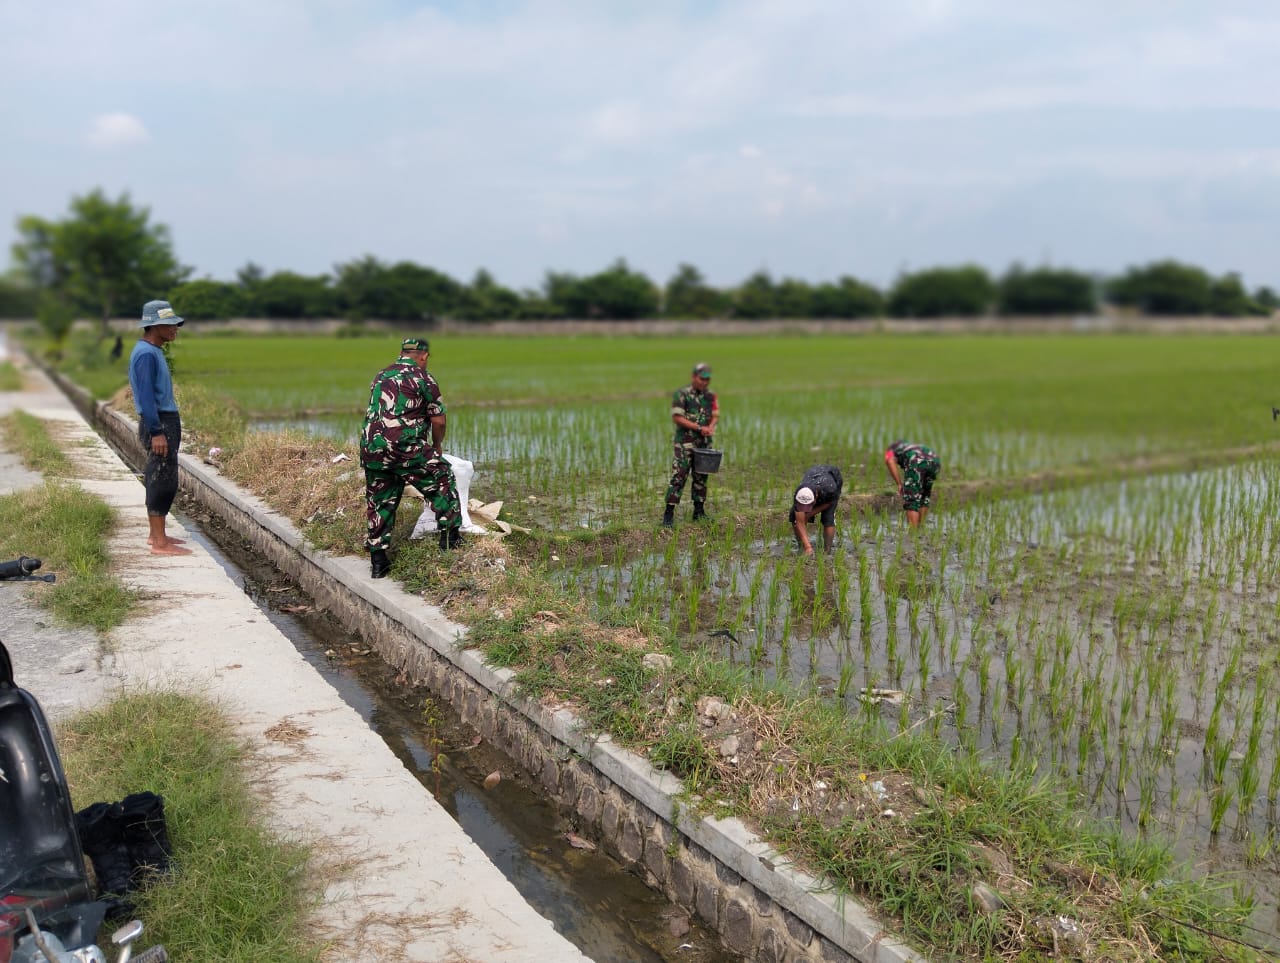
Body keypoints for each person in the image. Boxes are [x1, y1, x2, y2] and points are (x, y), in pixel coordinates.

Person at [361, 337, 463, 578]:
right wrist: (436, 445)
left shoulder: (380, 375)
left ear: (401, 353)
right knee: (442, 477)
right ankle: (450, 540)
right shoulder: (423, 377)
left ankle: (378, 562)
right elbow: (438, 419)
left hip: (372, 448)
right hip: (405, 446)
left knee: (380, 500)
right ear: (424, 356)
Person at [128, 300, 192, 557]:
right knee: (160, 478)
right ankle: (158, 542)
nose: (176, 328)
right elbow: (145, 397)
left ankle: (159, 535)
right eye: (170, 324)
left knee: (166, 477)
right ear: (154, 326)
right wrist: (156, 432)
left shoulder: (153, 351)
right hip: (160, 422)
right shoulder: (146, 354)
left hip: (165, 421)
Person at [662, 362, 718, 527]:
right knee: (679, 475)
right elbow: (677, 418)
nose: (705, 382)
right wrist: (699, 427)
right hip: (685, 442)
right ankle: (668, 515)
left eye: (707, 380)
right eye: (702, 379)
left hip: (703, 443)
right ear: (694, 377)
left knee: (701, 477)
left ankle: (699, 512)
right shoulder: (682, 394)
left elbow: (715, 414)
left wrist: (711, 427)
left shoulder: (710, 396)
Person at [883, 440, 941, 527]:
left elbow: (890, 461)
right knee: (924, 496)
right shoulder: (914, 446)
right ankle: (920, 528)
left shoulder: (891, 450)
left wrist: (899, 484)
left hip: (916, 461)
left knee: (912, 499)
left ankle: (913, 532)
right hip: (935, 462)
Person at [790, 465, 843, 556]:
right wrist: (808, 547)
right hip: (814, 475)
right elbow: (799, 521)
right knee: (795, 517)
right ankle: (802, 547)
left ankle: (827, 551)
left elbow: (829, 503)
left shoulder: (830, 489)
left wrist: (810, 514)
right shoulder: (799, 493)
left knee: (828, 518)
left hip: (833, 477)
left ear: (815, 500)